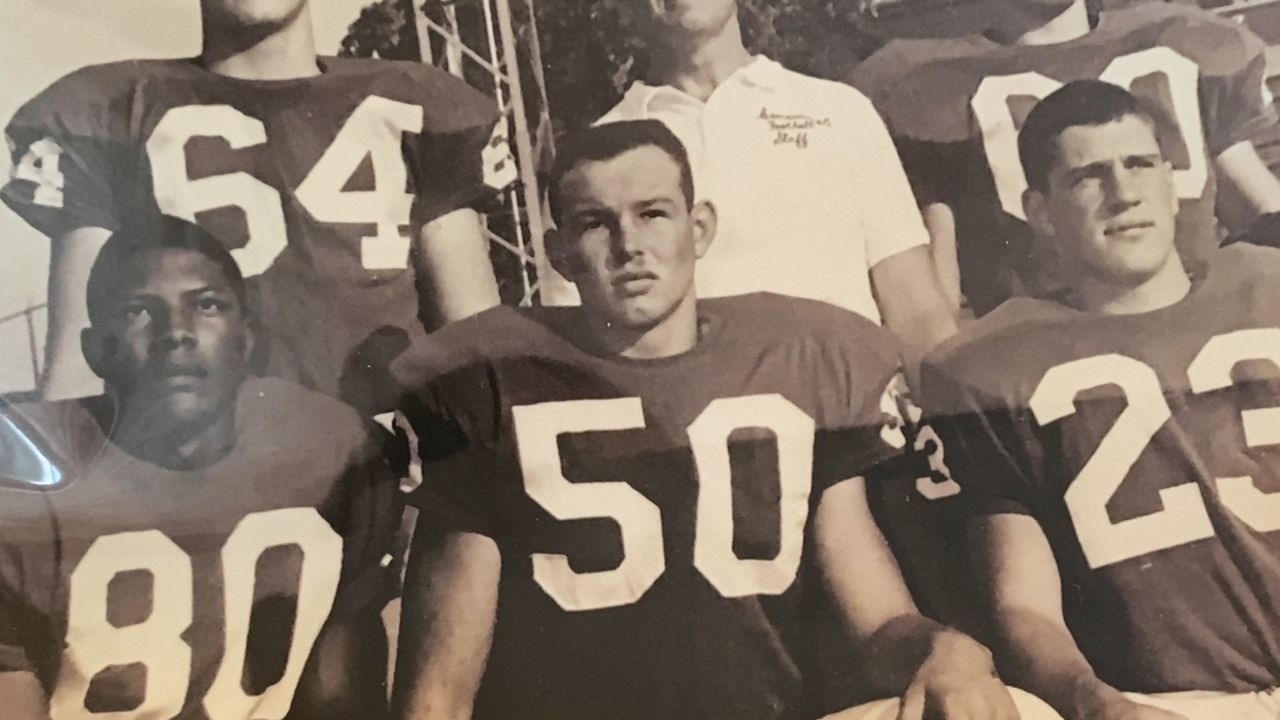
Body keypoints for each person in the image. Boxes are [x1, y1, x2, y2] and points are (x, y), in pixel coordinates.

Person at [386, 120, 1060, 720]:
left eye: (653, 214)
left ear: (698, 228)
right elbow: (438, 691)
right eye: (596, 222)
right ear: (559, 254)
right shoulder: (485, 385)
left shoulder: (798, 362)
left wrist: (942, 647)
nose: (629, 244)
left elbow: (878, 619)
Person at [922, 80, 1280, 720]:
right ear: (1039, 210)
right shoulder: (994, 365)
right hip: (1172, 704)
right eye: (1089, 175)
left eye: (1140, 164)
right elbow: (1024, 604)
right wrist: (1098, 706)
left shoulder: (1267, 285)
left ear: (1172, 181)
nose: (1124, 192)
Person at [3, 0, 516, 404]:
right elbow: (77, 360)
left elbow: (474, 338)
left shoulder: (416, 101)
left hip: (390, 459)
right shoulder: (106, 109)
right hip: (199, 472)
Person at [0, 217, 397, 719]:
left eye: (206, 305)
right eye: (137, 311)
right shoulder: (23, 483)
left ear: (246, 337)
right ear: (95, 351)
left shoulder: (334, 449)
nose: (176, 334)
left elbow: (341, 696)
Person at [851, 0, 1280, 318]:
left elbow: (1252, 199)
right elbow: (934, 288)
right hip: (1042, 354)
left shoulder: (1183, 37)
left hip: (1198, 326)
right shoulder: (920, 82)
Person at [592, 0, 956, 372]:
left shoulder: (839, 111)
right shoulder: (595, 156)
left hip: (853, 418)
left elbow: (917, 313)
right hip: (697, 421)